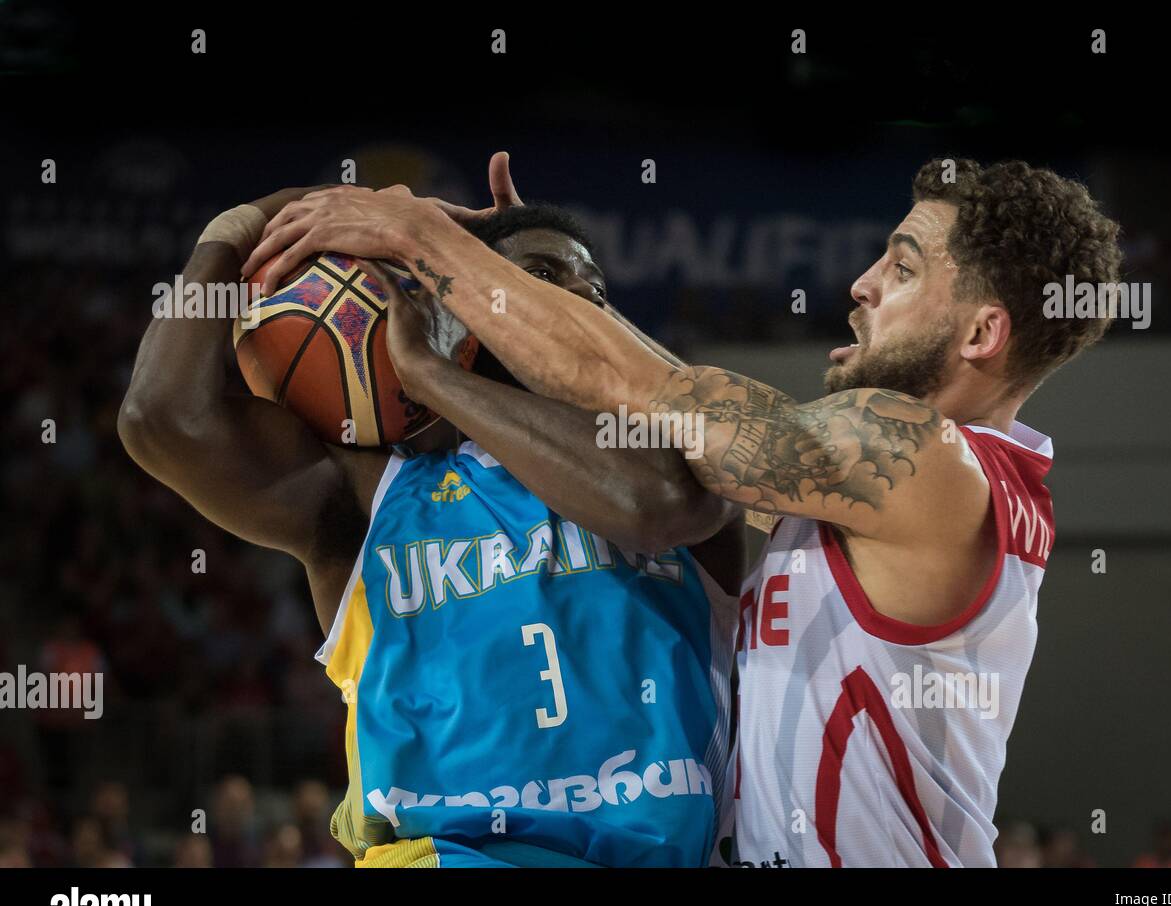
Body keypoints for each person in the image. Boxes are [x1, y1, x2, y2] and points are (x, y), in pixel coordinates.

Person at [244, 155, 1121, 867]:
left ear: (981, 335)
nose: (861, 283)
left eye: (901, 266)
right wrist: (527, 275)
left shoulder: (915, 458)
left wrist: (428, 241)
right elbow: (679, 413)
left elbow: (654, 393)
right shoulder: (926, 483)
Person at [119, 169, 743, 867]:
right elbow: (162, 417)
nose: (570, 302)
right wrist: (245, 224)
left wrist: (437, 372)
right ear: (463, 308)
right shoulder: (370, 495)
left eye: (595, 293)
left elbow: (660, 503)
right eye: (536, 276)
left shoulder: (680, 468)